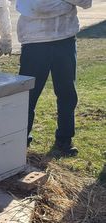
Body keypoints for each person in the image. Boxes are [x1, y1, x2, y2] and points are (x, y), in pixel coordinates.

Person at [17, 0, 92, 155]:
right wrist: (67, 4)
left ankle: (65, 140)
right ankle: (20, 140)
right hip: (35, 42)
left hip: (65, 41)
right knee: (28, 95)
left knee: (67, 94)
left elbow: (86, 2)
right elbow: (36, 7)